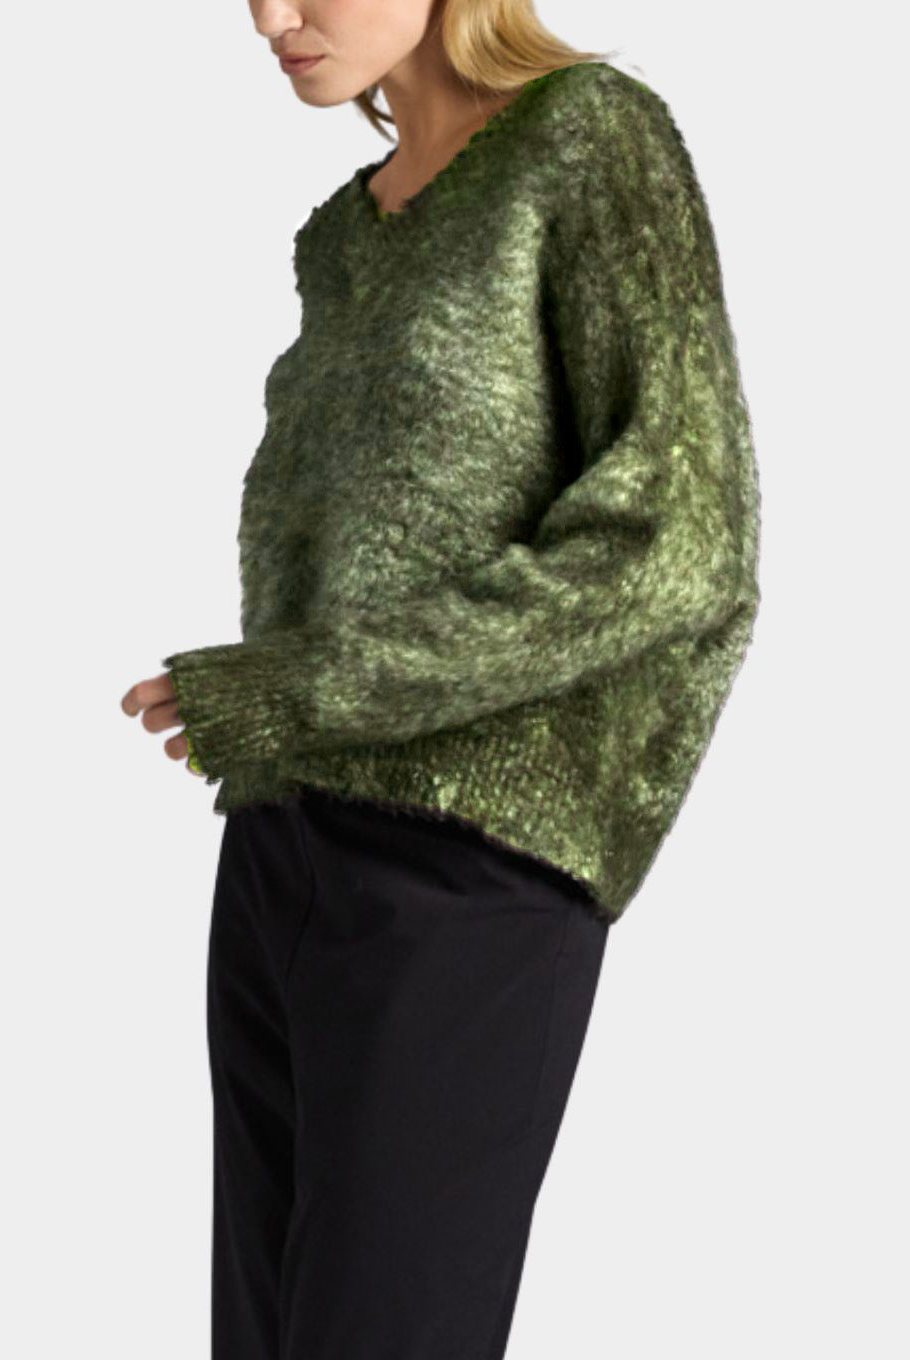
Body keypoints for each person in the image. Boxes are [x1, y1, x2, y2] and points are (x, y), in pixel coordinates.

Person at [121, 1, 761, 1355]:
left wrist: (298, 686)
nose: (272, 16)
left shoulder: (588, 140)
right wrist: (282, 718)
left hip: (469, 875)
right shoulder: (340, 235)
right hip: (278, 852)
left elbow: (679, 544)